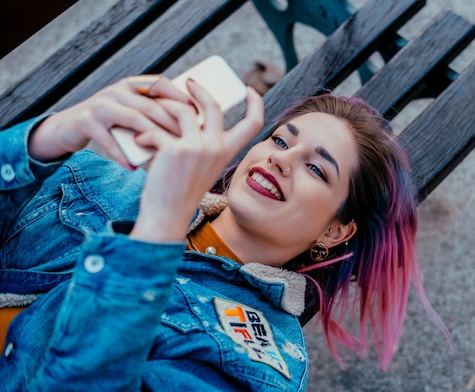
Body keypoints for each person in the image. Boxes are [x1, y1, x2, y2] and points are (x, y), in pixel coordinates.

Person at [0, 75, 448, 391]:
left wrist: (160, 229)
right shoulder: (106, 182)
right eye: (279, 140)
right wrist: (51, 136)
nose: (281, 159)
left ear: (334, 231)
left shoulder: (261, 364)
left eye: (315, 167)